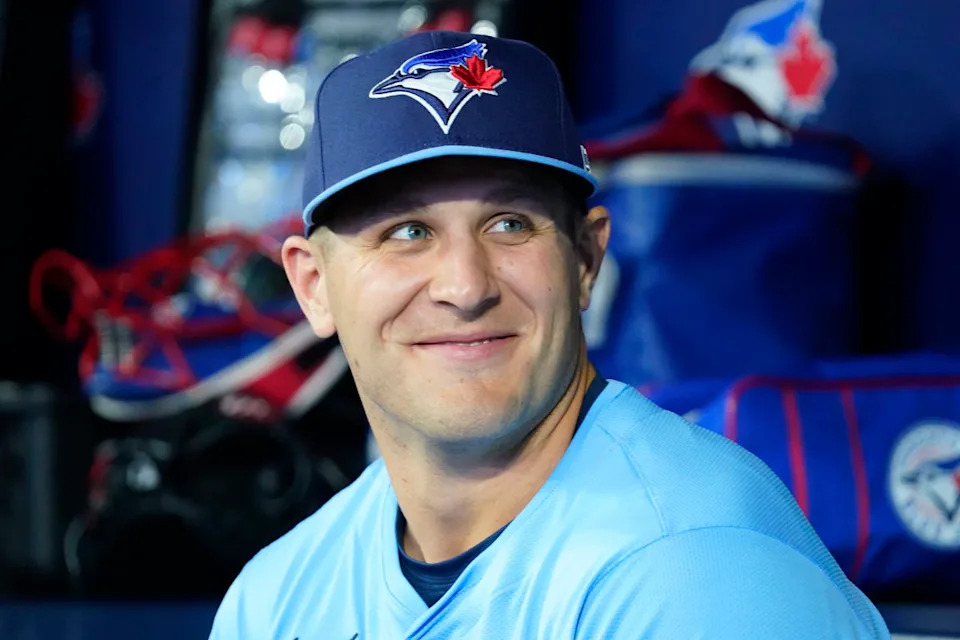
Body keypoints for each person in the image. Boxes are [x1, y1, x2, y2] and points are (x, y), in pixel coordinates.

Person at [209, 31, 890, 639]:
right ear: (312, 286)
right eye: (406, 232)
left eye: (510, 224)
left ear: (586, 259)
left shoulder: (691, 564)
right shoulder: (276, 597)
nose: (465, 286)